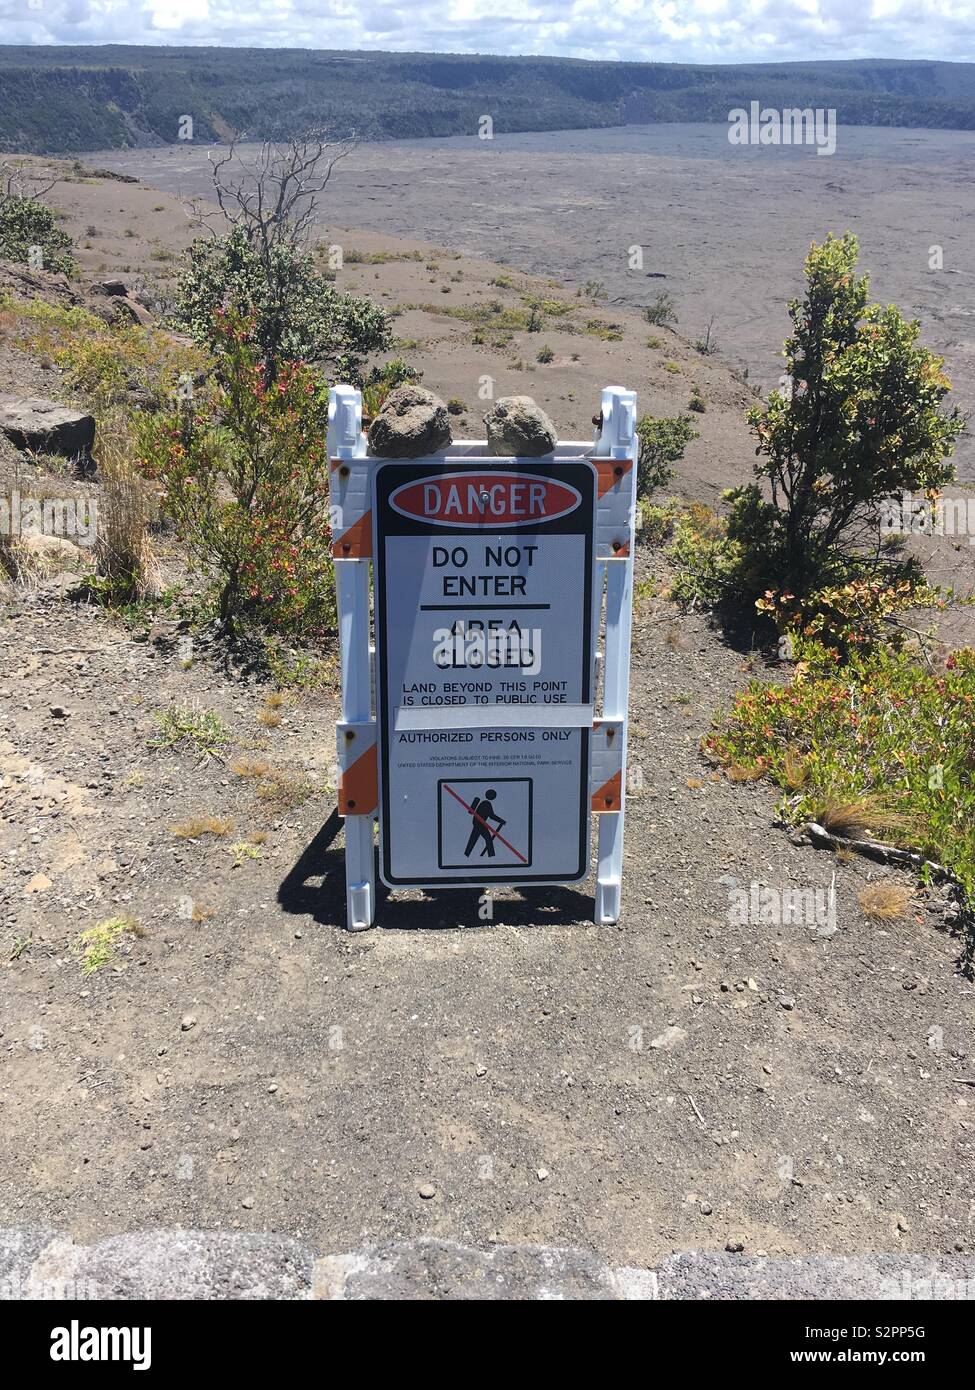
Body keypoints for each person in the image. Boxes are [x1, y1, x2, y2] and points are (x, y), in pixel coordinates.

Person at [463, 788, 506, 858]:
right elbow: (491, 816)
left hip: (478, 822)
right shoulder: (487, 803)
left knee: (474, 839)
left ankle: (466, 855)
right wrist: (501, 821)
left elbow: (490, 815)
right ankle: (491, 856)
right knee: (487, 838)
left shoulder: (483, 803)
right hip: (479, 823)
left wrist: (501, 821)